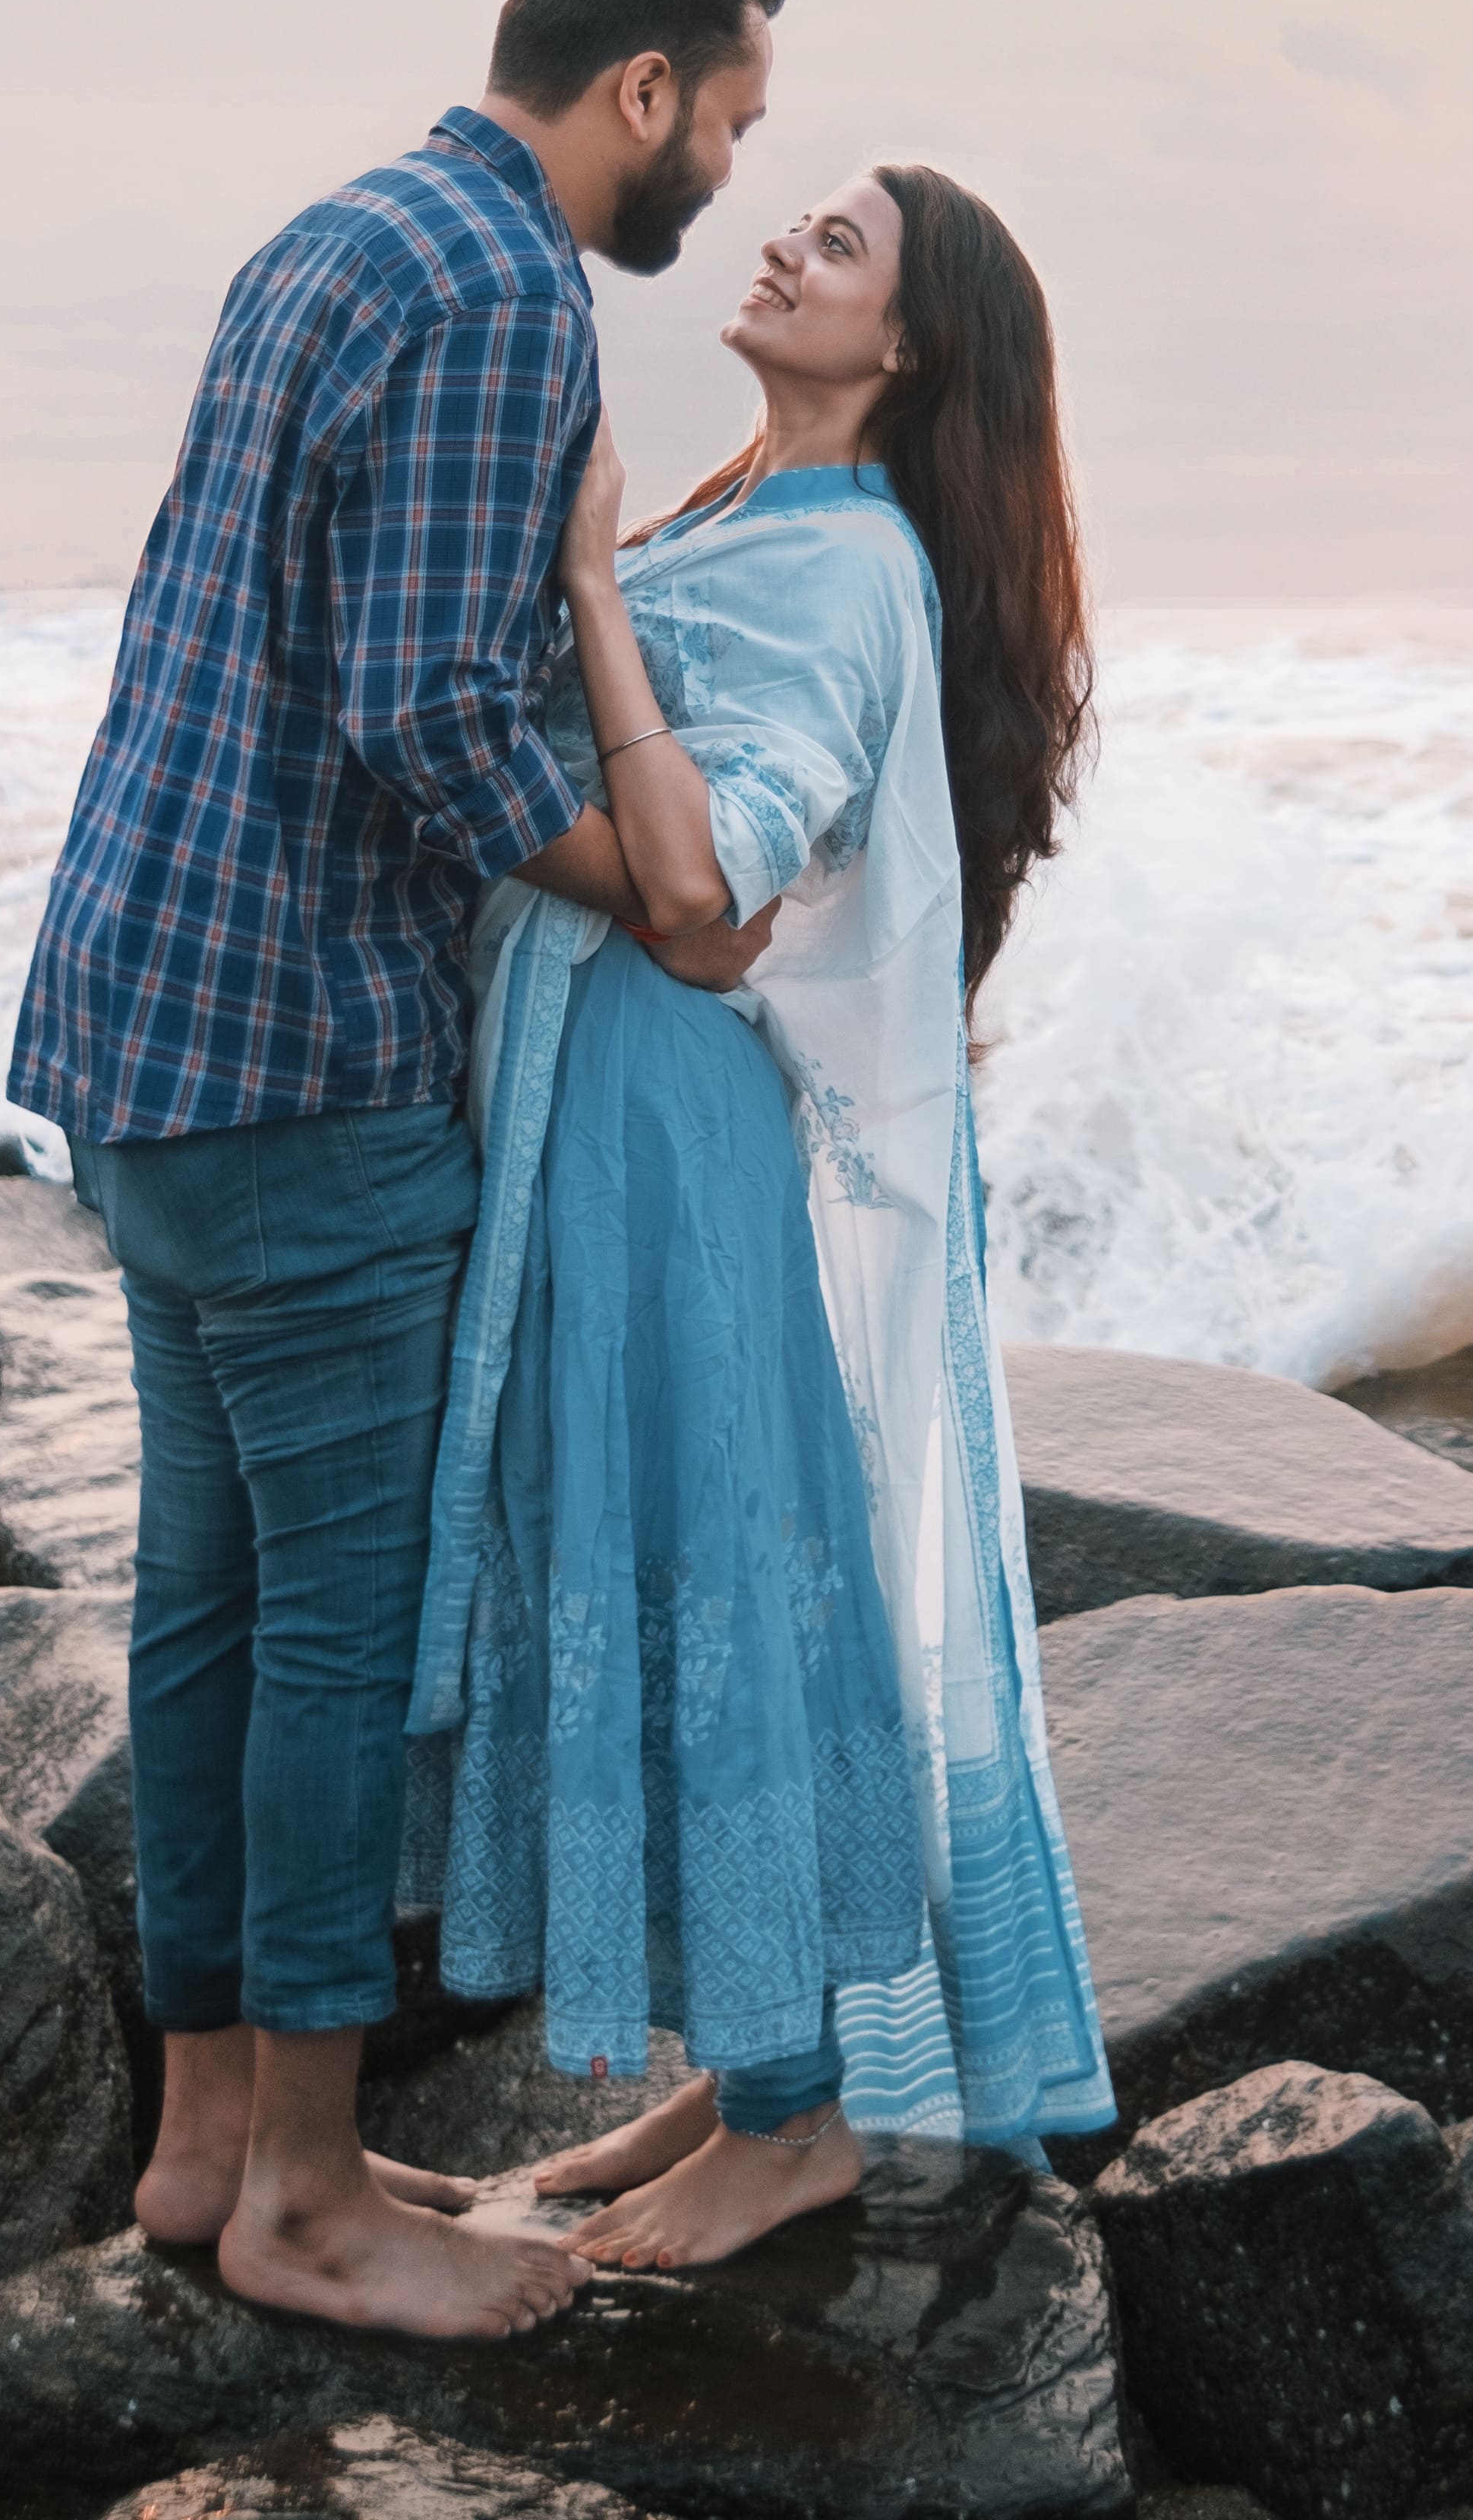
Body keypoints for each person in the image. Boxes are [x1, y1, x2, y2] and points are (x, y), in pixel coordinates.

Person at [6, 0, 790, 2340]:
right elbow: (428, 717)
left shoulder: (340, 236)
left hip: (145, 1017)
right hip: (302, 1054)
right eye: (734, 119)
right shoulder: (501, 296)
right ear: (642, 85)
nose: (733, 179)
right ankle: (320, 2204)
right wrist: (667, 904)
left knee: (214, 1610)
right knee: (340, 1636)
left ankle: (215, 2136)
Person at [402, 158, 1116, 2265]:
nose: (785, 245)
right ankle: (748, 2062)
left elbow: (717, 897)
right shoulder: (752, 506)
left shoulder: (838, 564)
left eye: (841, 248)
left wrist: (593, 590)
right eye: (792, 217)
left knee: (720, 1558)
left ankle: (797, 2124)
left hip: (676, 1132)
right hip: (617, 1118)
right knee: (686, 1545)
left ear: (907, 351)